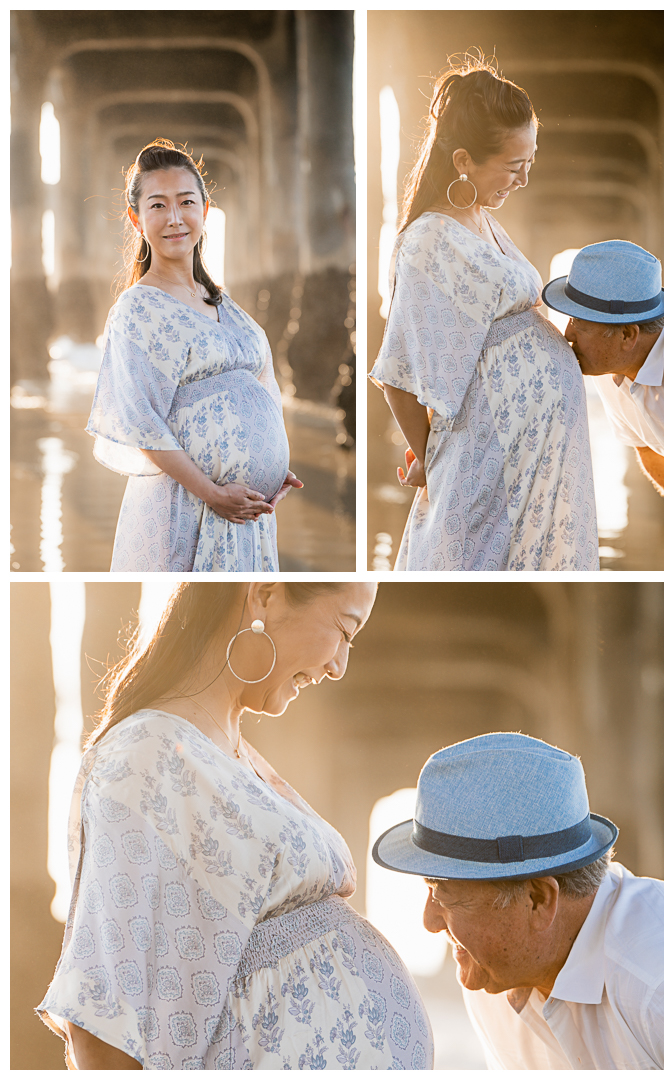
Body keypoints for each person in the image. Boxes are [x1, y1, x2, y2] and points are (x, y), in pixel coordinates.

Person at [37, 583, 433, 1070]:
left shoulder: (230, 751)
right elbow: (103, 1018)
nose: (339, 666)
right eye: (344, 630)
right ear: (265, 595)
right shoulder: (148, 756)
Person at [370, 56, 598, 571]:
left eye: (530, 163)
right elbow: (398, 374)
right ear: (464, 160)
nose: (523, 180)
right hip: (491, 451)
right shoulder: (427, 240)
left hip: (533, 449)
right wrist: (429, 460)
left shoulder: (485, 223)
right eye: (514, 166)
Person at [373, 732, 664, 1070]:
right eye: (429, 890)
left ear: (538, 900)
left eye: (447, 897)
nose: (429, 921)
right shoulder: (493, 980)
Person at [87, 140, 302, 572]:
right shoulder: (138, 308)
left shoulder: (225, 305)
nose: (175, 218)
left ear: (205, 209)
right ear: (136, 219)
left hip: (245, 515)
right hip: (187, 509)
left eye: (186, 202)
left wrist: (276, 468)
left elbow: (261, 384)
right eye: (158, 205)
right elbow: (141, 421)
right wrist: (212, 492)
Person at [543, 240, 664, 571]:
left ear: (627, 336)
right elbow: (650, 449)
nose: (567, 334)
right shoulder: (609, 366)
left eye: (582, 325)